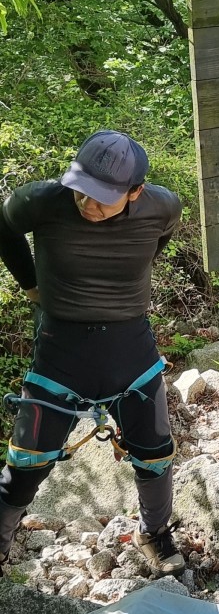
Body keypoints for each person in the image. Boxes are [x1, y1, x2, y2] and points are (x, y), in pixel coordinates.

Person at [0, 131, 184, 576]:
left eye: (102, 198)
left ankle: (153, 533)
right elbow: (3, 224)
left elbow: (158, 240)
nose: (87, 204)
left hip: (131, 350)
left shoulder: (162, 206)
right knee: (26, 462)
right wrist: (30, 283)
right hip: (60, 353)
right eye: (82, 190)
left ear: (135, 191)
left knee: (155, 452)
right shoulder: (44, 201)